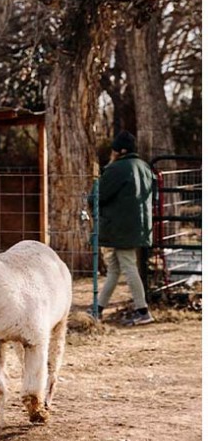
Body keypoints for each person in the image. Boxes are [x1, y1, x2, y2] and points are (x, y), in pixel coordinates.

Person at [90, 130, 156, 326]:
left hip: (121, 227)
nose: (112, 152)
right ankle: (98, 308)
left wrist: (90, 199)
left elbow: (99, 195)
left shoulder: (117, 169)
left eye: (114, 149)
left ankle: (142, 310)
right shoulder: (144, 167)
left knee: (127, 266)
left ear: (120, 151)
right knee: (115, 268)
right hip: (139, 225)